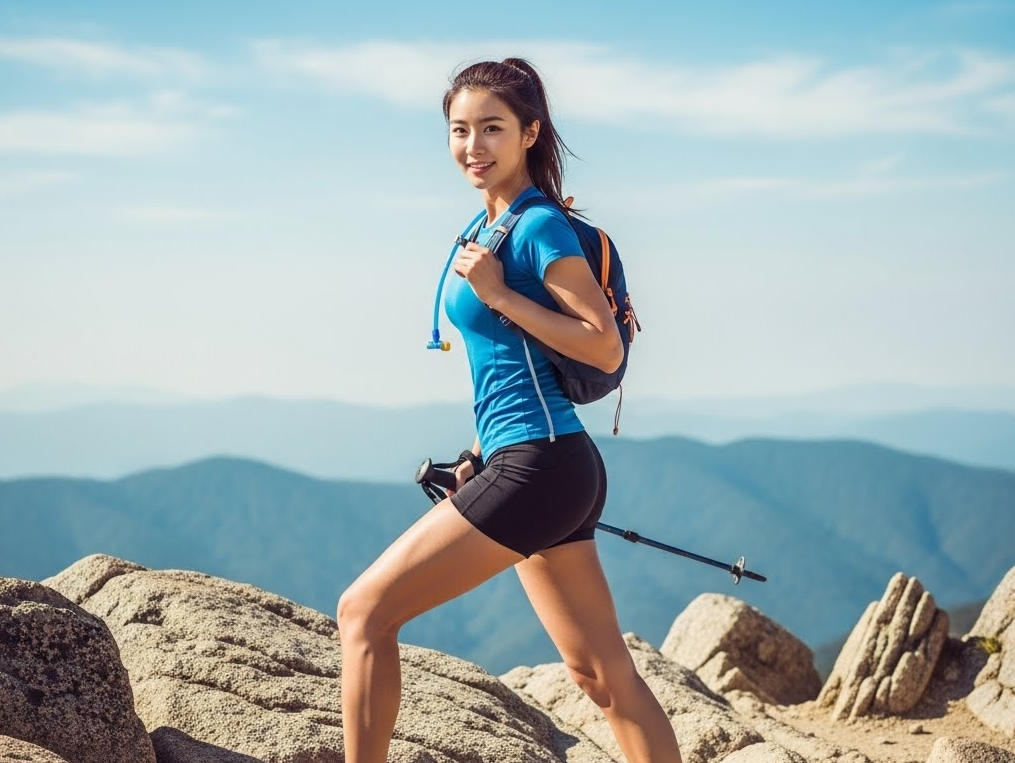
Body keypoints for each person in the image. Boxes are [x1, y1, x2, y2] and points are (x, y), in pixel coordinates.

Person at [337, 57, 683, 763]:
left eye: (491, 128)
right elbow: (504, 367)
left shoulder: (537, 229)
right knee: (600, 675)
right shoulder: (484, 227)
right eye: (459, 130)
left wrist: (497, 294)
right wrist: (476, 452)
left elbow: (603, 345)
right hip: (534, 459)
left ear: (530, 132)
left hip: (542, 463)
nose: (473, 146)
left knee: (363, 612)